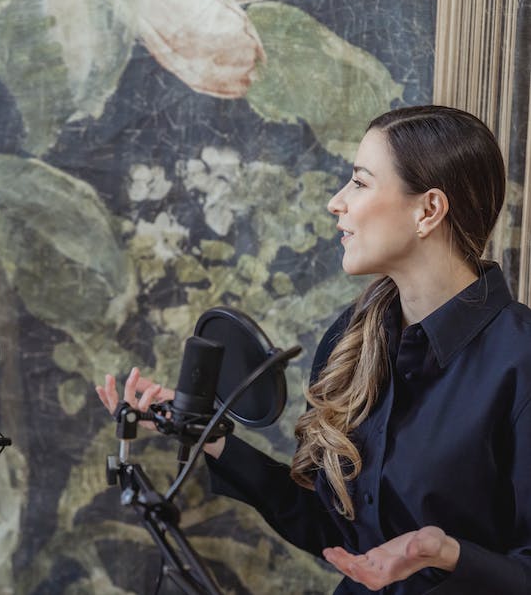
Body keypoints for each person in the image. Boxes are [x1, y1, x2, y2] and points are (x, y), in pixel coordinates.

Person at [97, 105, 531, 594]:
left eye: (360, 182)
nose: (336, 202)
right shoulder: (353, 337)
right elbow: (334, 531)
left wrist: (451, 556)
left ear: (427, 210)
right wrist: (205, 438)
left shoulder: (520, 360)